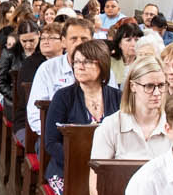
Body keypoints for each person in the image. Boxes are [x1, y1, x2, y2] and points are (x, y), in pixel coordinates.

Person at [43, 40, 118, 186]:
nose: (80, 66)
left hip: (106, 169)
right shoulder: (63, 96)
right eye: (76, 62)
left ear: (102, 64)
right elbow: (51, 143)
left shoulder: (117, 97)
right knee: (83, 191)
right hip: (69, 169)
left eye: (87, 61)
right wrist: (84, 162)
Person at [27, 18, 94, 138]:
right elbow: (35, 113)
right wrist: (54, 136)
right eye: (73, 39)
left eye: (84, 39)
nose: (79, 43)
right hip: (55, 136)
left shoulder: (102, 70)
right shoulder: (48, 69)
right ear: (63, 42)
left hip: (95, 136)